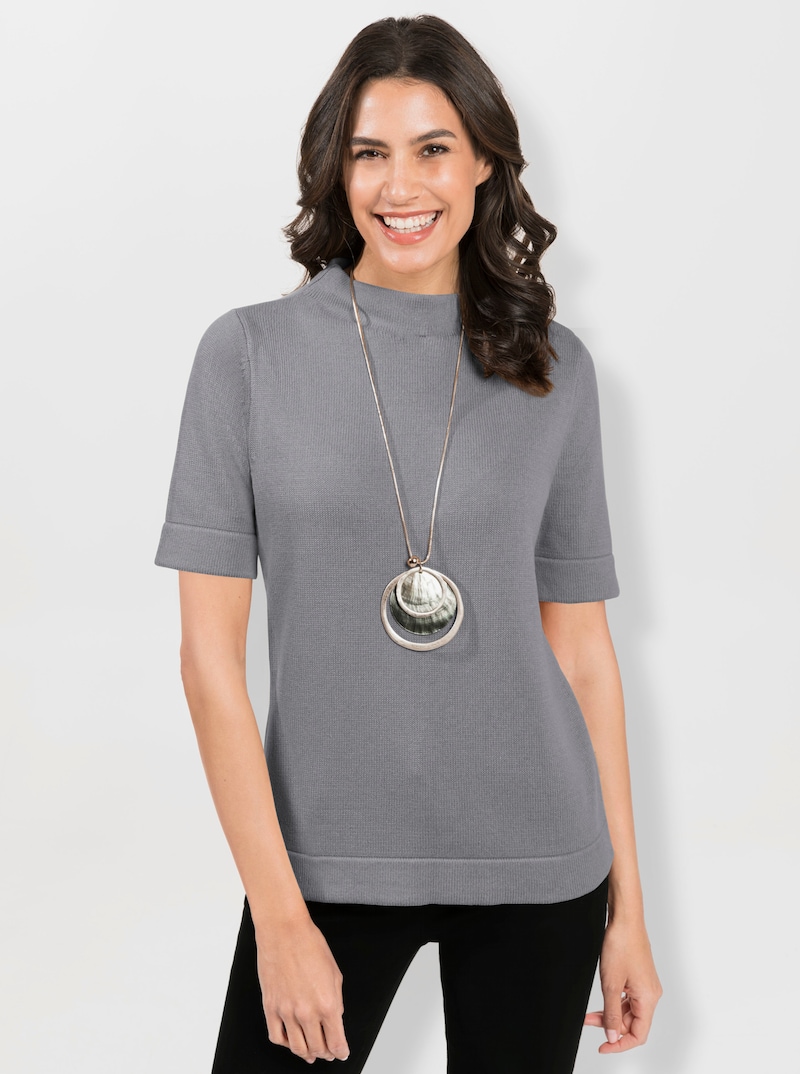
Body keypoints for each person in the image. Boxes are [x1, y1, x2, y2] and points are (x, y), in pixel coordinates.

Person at [154, 14, 662, 1073]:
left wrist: (629, 910)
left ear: (482, 161)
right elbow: (208, 664)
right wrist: (279, 918)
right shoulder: (245, 358)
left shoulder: (554, 369)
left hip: (540, 863)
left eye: (433, 148)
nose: (401, 186)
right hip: (323, 870)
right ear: (334, 171)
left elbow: (581, 653)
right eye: (368, 153)